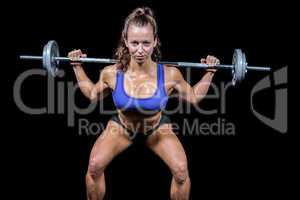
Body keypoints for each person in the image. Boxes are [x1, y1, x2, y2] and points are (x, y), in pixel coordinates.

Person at [68, 6, 219, 200]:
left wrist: (210, 72)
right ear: (126, 41)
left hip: (156, 128)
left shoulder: (170, 74)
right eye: (135, 43)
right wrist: (77, 67)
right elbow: (91, 94)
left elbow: (193, 97)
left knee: (181, 172)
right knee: (94, 166)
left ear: (155, 41)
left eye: (146, 43)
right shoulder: (111, 73)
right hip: (122, 128)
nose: (140, 50)